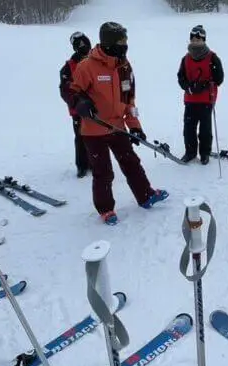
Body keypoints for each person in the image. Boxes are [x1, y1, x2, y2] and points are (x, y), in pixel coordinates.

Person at [70, 21, 168, 225]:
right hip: (94, 129)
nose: (125, 45)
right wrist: (81, 103)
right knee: (103, 172)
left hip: (117, 127)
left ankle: (146, 195)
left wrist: (135, 126)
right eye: (121, 41)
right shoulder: (87, 66)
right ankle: (106, 209)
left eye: (126, 40)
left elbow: (129, 100)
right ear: (109, 42)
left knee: (132, 162)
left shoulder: (124, 66)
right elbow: (73, 91)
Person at [176, 24, 224, 164]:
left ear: (204, 40)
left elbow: (219, 78)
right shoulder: (185, 59)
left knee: (205, 129)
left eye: (199, 40)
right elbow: (181, 77)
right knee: (188, 128)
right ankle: (190, 152)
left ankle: (205, 153)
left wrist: (205, 84)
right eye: (193, 40)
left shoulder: (212, 58)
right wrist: (188, 87)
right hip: (190, 99)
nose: (196, 42)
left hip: (206, 99)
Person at [59, 31, 92, 178]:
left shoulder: (96, 59)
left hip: (97, 106)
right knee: (80, 136)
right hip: (79, 109)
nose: (83, 46)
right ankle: (82, 165)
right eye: (79, 44)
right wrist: (77, 102)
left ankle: (95, 162)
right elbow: (65, 89)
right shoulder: (69, 66)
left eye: (85, 43)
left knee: (97, 137)